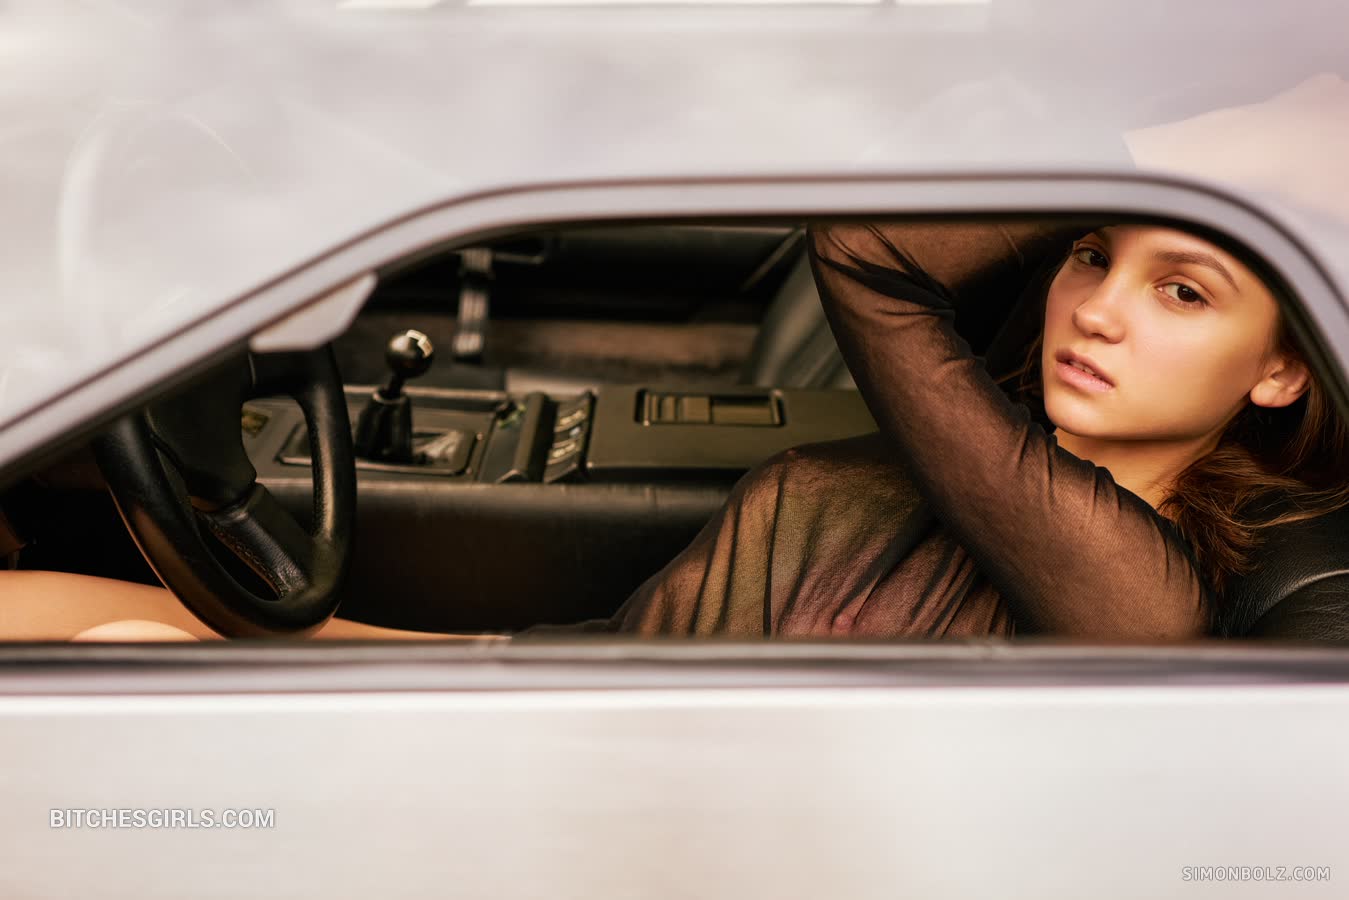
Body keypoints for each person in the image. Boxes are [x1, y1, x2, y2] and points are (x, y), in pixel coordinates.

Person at [1, 217, 1345, 642]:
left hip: (586, 813)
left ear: (1282, 369)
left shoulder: (1135, 601)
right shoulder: (935, 476)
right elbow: (580, 668)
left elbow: (866, 251)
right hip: (557, 709)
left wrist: (1169, 120)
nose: (1096, 308)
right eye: (1091, 252)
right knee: (72, 615)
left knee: (122, 664)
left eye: (1181, 291)